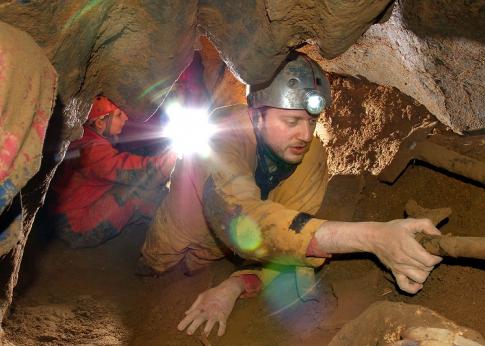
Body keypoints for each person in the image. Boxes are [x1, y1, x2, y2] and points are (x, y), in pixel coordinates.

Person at [139, 53, 442, 336]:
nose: (305, 134)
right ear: (257, 117)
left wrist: (234, 286)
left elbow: (291, 247)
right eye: (292, 121)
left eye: (311, 121)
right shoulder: (223, 134)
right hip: (180, 237)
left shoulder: (311, 158)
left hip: (237, 247)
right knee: (156, 271)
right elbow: (239, 214)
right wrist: (373, 237)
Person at [48, 95, 177, 248]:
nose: (126, 118)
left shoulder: (82, 137)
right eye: (118, 115)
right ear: (100, 122)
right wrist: (175, 155)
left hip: (60, 213)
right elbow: (143, 172)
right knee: (138, 192)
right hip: (74, 227)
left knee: (131, 183)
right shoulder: (93, 151)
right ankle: (171, 229)